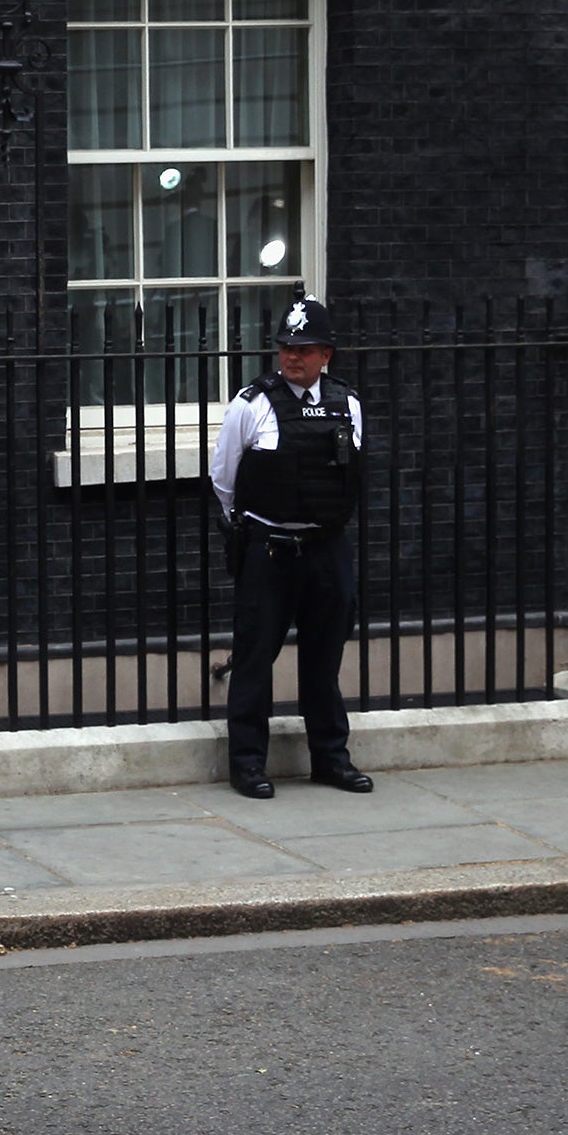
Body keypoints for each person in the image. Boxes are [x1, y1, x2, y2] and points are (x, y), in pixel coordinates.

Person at [208, 294, 374, 800]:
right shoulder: (252, 404)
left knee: (324, 660)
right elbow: (223, 477)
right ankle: (248, 764)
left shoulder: (348, 404)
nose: (291, 357)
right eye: (285, 347)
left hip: (326, 548)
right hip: (271, 549)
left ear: (327, 354)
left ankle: (331, 758)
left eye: (303, 349)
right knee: (255, 657)